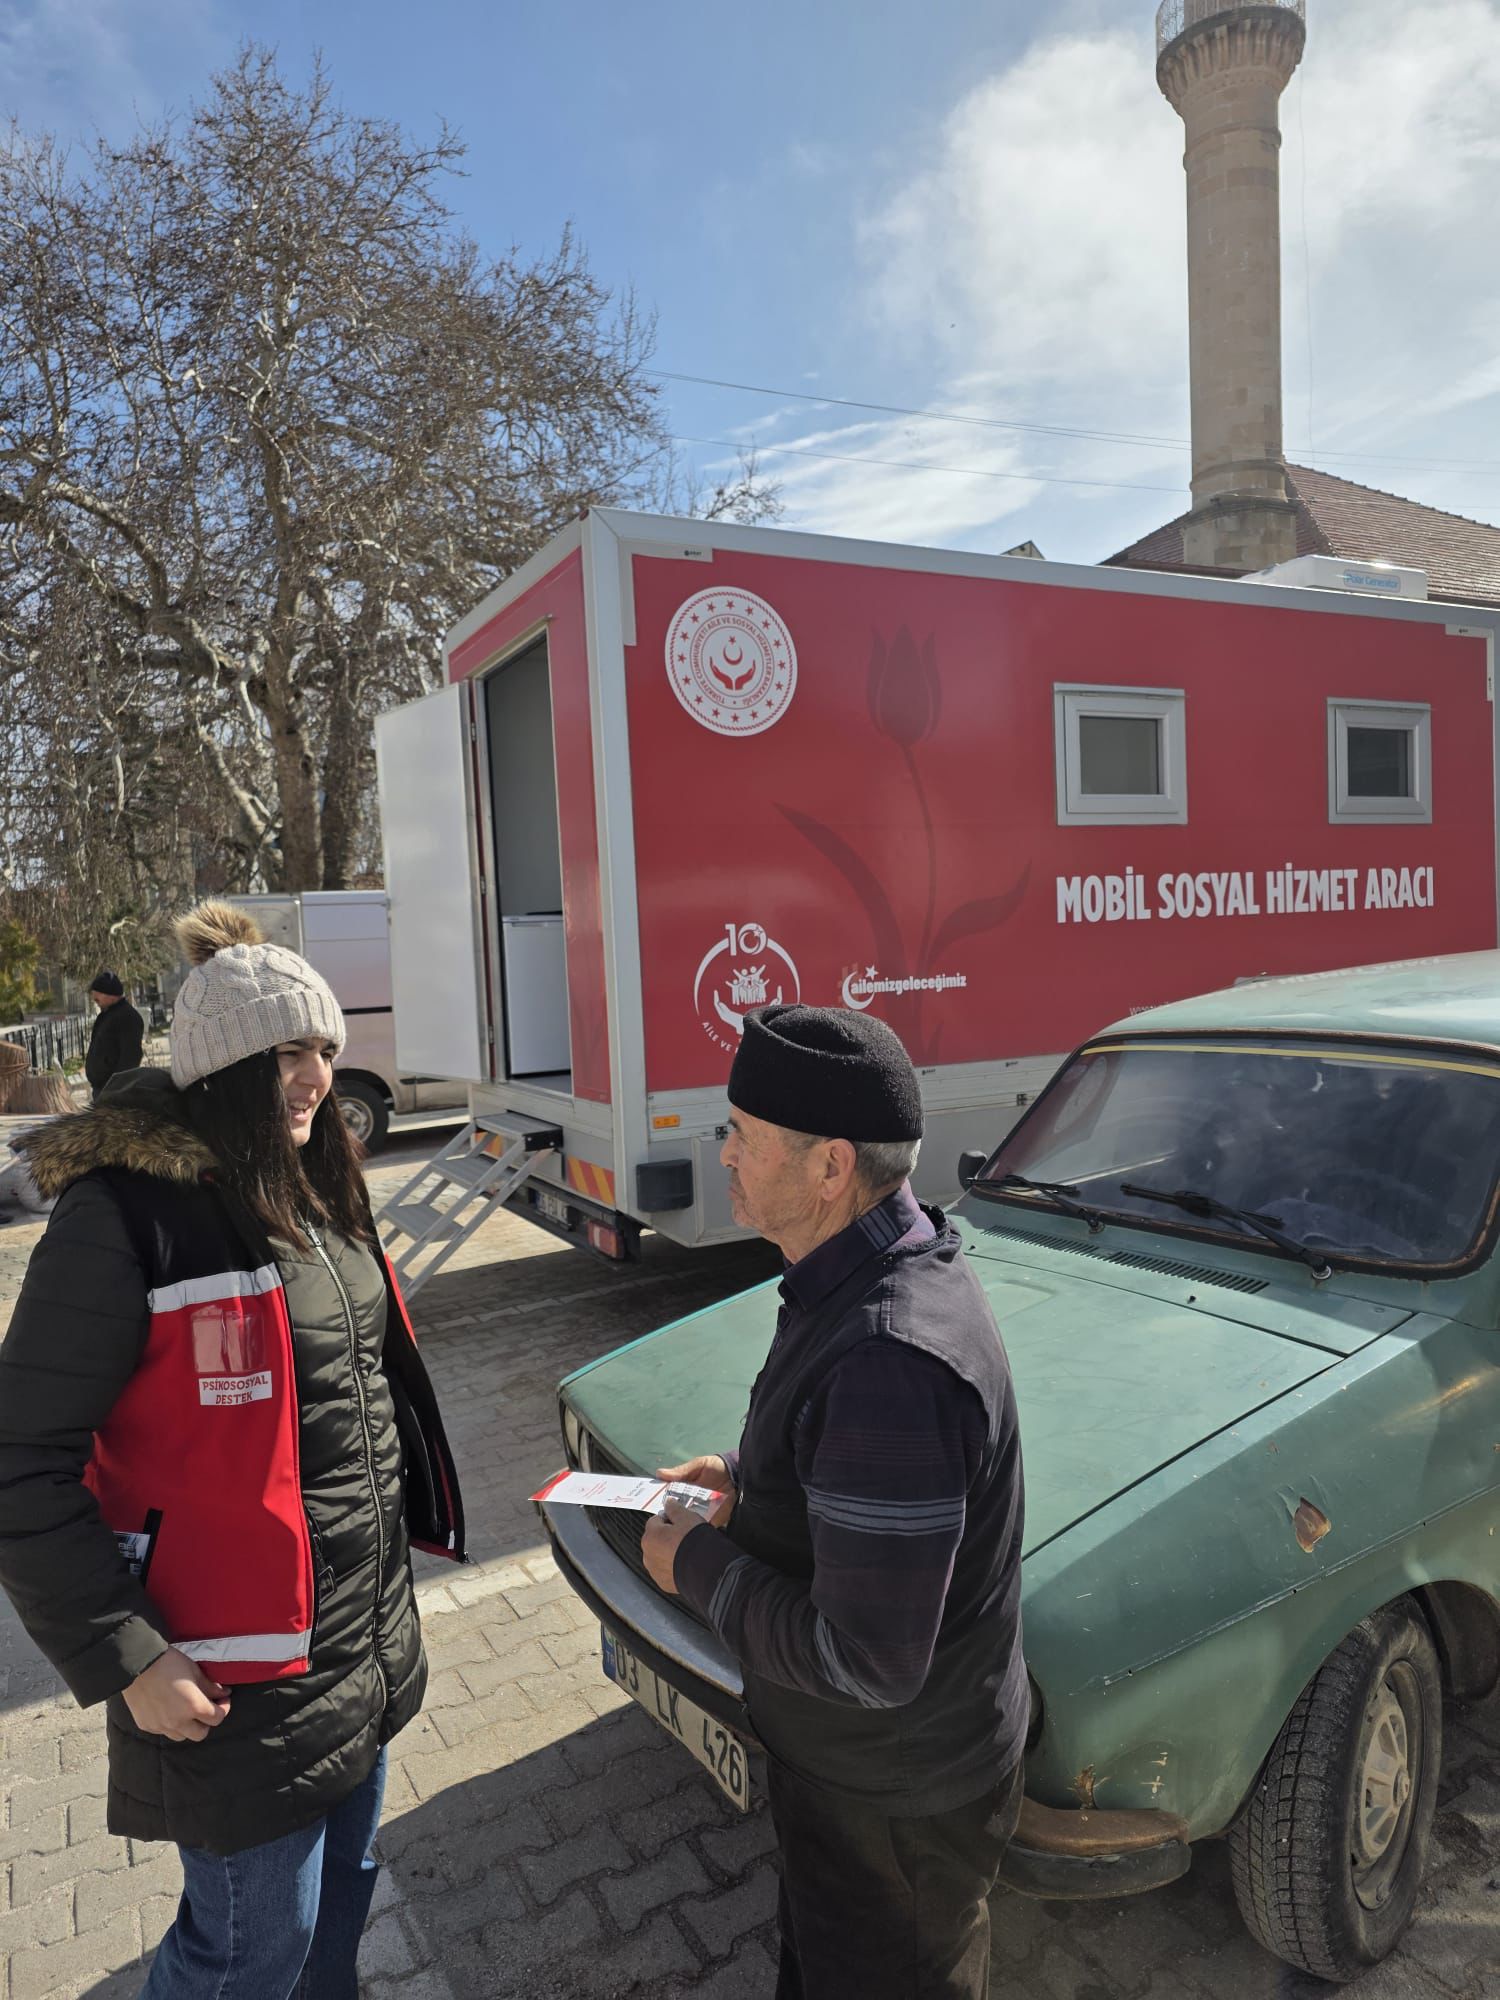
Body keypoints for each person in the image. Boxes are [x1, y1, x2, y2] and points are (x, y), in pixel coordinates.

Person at [0, 901, 464, 1999]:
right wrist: (126, 1653)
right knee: (244, 1954)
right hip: (230, 1682)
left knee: (339, 1906)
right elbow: (19, 1458)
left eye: (324, 1049)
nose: (314, 1076)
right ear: (222, 1066)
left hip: (361, 1648)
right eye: (287, 1052)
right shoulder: (128, 1219)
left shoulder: (319, 1188)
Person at [641, 1003, 1027, 2000]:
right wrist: (743, 1479)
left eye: (741, 1135)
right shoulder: (866, 1274)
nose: (721, 1154)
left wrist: (696, 1564)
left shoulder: (888, 1359)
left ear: (830, 1166)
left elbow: (867, 1659)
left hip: (894, 1803)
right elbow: (846, 1460)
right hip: (867, 1780)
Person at [85, 969, 145, 1101]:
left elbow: (130, 1057)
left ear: (111, 995)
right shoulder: (106, 1015)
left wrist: (116, 1088)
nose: (94, 997)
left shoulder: (128, 1017)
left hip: (113, 1092)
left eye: (98, 993)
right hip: (101, 1088)